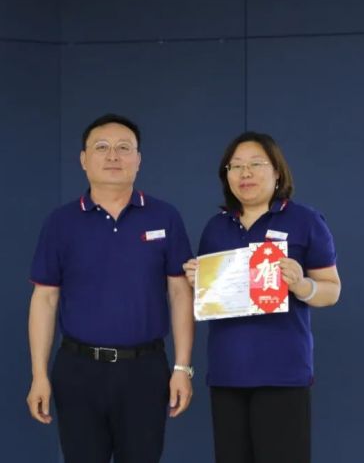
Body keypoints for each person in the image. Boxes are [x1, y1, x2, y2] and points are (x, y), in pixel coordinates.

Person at [26, 114, 195, 463]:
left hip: (145, 369)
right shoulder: (61, 222)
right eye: (102, 147)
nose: (113, 156)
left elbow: (181, 294)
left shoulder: (164, 217)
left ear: (139, 159)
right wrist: (39, 375)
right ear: (83, 159)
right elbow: (45, 299)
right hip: (78, 369)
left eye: (124, 148)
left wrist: (182, 368)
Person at [183, 132, 341, 463]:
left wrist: (302, 286)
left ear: (277, 171)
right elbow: (212, 297)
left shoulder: (305, 220)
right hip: (227, 372)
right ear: (226, 175)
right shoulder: (216, 227)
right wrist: (198, 281)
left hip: (282, 373)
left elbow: (331, 289)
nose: (246, 173)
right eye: (236, 166)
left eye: (256, 164)